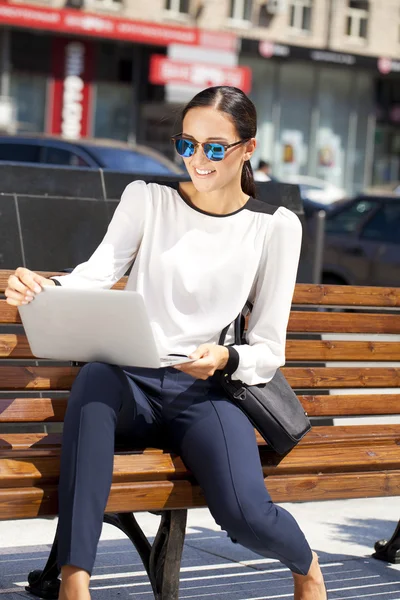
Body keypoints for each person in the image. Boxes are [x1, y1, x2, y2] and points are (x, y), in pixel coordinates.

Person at [5, 86, 327, 600]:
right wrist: (42, 288)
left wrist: (226, 356)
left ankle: (306, 566)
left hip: (205, 391)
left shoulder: (274, 227)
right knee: (94, 382)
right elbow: (98, 271)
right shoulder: (148, 198)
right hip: (128, 380)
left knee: (245, 513)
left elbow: (269, 348)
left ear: (248, 148)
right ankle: (74, 582)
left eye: (215, 147)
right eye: (188, 144)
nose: (199, 159)